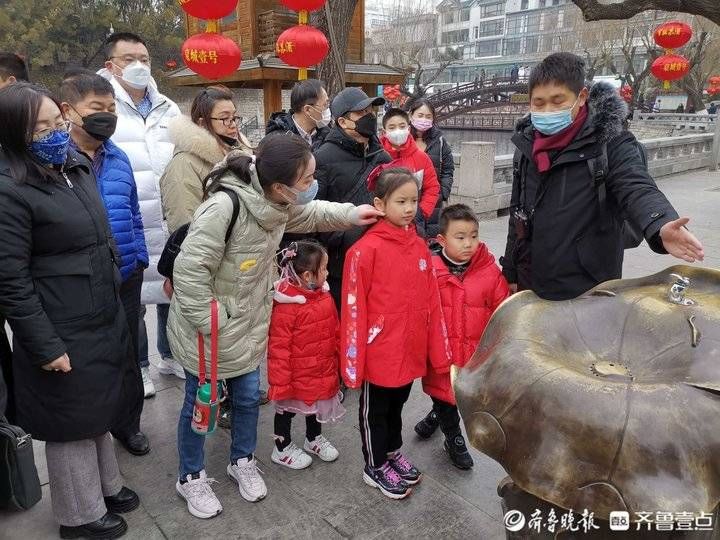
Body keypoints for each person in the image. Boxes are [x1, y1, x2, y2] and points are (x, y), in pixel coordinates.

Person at [168, 134, 382, 519]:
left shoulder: (274, 202)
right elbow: (189, 269)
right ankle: (191, 476)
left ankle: (242, 460)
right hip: (210, 331)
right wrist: (211, 319)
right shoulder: (224, 207)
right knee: (199, 406)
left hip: (247, 323)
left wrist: (352, 213)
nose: (311, 185)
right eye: (306, 179)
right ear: (280, 185)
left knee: (249, 398)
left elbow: (311, 213)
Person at [0, 82, 139, 539]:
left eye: (55, 121)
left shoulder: (72, 166)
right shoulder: (10, 189)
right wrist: (45, 344)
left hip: (97, 310)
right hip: (59, 323)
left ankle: (105, 486)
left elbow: (101, 237)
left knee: (97, 407)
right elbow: (11, 281)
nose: (53, 131)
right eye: (38, 127)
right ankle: (78, 517)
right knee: (70, 422)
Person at [501, 53, 704, 301]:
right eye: (539, 103)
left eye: (557, 101)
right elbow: (517, 215)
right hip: (530, 282)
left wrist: (659, 223)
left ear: (581, 97)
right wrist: (510, 270)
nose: (547, 110)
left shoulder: (610, 142)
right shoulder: (526, 147)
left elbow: (636, 186)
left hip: (588, 286)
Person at [340, 167, 450, 500]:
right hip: (379, 349)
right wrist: (352, 361)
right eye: (400, 201)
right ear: (379, 203)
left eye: (413, 200)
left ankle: (391, 452)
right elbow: (353, 308)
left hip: (409, 344)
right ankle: (373, 464)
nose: (409, 208)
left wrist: (436, 347)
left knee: (398, 404)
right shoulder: (364, 251)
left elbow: (432, 301)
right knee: (375, 409)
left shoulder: (419, 247)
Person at [60, 71, 152, 456]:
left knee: (128, 355)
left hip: (126, 274)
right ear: (68, 111)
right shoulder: (54, 162)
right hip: (80, 283)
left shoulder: (118, 157)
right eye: (97, 109)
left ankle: (127, 425)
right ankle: (93, 428)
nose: (107, 116)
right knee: (92, 361)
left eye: (112, 109)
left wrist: (141, 256)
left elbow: (132, 213)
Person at [98, 32, 183, 401]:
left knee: (170, 286)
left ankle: (170, 355)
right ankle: (141, 366)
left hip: (165, 211)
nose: (139, 66)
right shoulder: (101, 105)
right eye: (129, 58)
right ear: (110, 65)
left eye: (144, 59)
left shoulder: (167, 106)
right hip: (126, 215)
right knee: (133, 299)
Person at [415, 204, 509, 469]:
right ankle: (453, 437)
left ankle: (437, 416)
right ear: (442, 240)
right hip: (440, 355)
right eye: (460, 237)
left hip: (472, 356)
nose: (469, 243)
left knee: (459, 396)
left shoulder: (489, 273)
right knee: (443, 394)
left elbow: (502, 313)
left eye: (474, 235)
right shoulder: (428, 271)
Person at [268, 241, 344, 470]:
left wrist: (340, 360)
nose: (328, 273)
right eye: (324, 269)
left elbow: (336, 330)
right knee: (286, 412)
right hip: (295, 374)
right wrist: (280, 382)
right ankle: (281, 447)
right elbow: (278, 348)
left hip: (321, 367)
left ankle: (313, 439)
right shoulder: (287, 306)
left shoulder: (324, 295)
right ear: (308, 275)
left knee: (316, 406)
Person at [315, 87, 390, 308]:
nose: (370, 117)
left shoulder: (382, 156)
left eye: (370, 111)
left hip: (379, 258)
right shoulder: (322, 159)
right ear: (343, 122)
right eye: (361, 113)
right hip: (340, 263)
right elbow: (313, 212)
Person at [160, 85, 252, 235]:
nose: (233, 124)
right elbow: (185, 226)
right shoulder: (183, 165)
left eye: (234, 117)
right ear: (202, 123)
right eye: (224, 118)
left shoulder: (240, 153)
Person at [378, 107, 440, 236]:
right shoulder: (377, 157)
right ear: (384, 131)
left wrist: (421, 212)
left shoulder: (422, 158)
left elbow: (432, 187)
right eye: (392, 127)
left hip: (414, 219)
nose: (398, 131)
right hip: (382, 219)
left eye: (402, 126)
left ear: (408, 128)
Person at [407, 99, 455, 238]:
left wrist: (443, 192)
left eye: (428, 116)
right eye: (420, 115)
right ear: (411, 116)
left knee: (432, 241)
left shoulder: (439, 142)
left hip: (434, 200)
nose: (424, 119)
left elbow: (448, 169)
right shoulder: (402, 140)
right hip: (408, 199)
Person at [265, 79, 330, 150]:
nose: (328, 109)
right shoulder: (277, 141)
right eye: (325, 105)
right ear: (308, 110)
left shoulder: (327, 135)